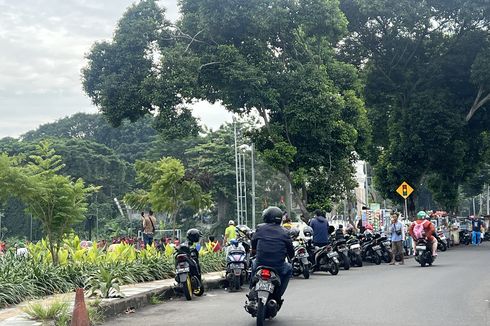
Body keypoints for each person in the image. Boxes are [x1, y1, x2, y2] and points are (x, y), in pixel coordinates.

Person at [248, 206, 294, 307]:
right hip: (278, 266)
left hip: (260, 263)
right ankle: (278, 295)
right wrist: (291, 257)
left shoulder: (260, 228)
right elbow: (291, 251)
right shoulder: (285, 232)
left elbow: (254, 243)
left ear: (266, 217)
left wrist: (254, 253)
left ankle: (251, 288)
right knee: (289, 268)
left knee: (253, 264)